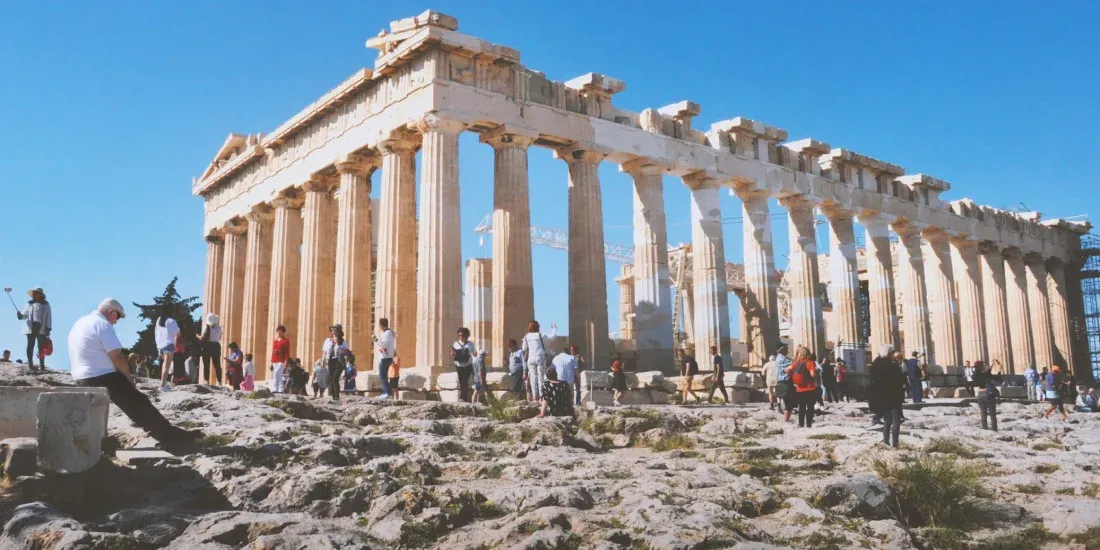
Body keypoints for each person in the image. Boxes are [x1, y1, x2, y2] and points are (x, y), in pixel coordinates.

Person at [68, 298, 198, 447]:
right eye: (117, 317)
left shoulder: (81, 322)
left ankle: (163, 433)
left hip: (79, 377)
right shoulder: (103, 325)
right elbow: (117, 356)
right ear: (111, 312)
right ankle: (170, 437)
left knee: (133, 401)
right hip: (101, 375)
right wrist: (128, 377)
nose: (116, 321)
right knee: (139, 402)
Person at [868, 345, 905, 447]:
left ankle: (885, 442)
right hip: (893, 396)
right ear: (889, 354)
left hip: (880, 397)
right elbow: (901, 380)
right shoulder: (893, 366)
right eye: (892, 353)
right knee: (896, 420)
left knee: (887, 420)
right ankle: (895, 444)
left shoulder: (874, 365)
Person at [17, 287, 52, 371]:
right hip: (30, 327)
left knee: (41, 347)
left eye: (36, 293)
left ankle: (42, 365)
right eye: (34, 293)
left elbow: (48, 317)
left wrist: (48, 328)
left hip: (42, 328)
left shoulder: (46, 304)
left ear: (40, 294)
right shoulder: (29, 304)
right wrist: (20, 315)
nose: (35, 295)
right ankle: (30, 363)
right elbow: (25, 314)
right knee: (30, 346)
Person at [785, 347, 818, 428]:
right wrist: (816, 374)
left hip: (799, 388)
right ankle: (809, 424)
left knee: (802, 407)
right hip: (810, 388)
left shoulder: (796, 363)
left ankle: (801, 424)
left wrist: (792, 373)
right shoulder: (810, 362)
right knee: (810, 407)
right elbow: (812, 374)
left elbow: (786, 369)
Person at [521, 321, 549, 401]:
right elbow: (549, 340)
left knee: (533, 378)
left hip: (531, 358)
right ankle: (542, 397)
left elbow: (524, 348)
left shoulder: (526, 336)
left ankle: (535, 397)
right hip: (540, 357)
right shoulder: (541, 335)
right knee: (541, 377)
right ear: (537, 327)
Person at [153, 312, 180, 392]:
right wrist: (175, 344)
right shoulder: (171, 321)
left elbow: (156, 332)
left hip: (160, 345)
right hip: (169, 344)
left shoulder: (159, 320)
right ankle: (163, 386)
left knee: (164, 365)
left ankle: (163, 383)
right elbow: (177, 334)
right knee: (166, 366)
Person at [322, 325, 349, 401]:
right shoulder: (328, 340)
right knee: (331, 379)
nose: (333, 330)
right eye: (332, 329)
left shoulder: (343, 341)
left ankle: (337, 396)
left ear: (338, 331)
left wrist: (341, 349)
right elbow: (325, 352)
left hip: (338, 361)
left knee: (335, 378)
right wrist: (322, 362)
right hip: (330, 361)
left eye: (334, 329)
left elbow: (347, 352)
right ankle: (333, 396)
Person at [450, 327, 477, 402]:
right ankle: (464, 397)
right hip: (458, 365)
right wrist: (453, 352)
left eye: (462, 335)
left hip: (467, 365)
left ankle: (463, 398)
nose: (461, 337)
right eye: (459, 335)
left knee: (465, 381)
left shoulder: (471, 344)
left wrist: (474, 353)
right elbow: (452, 354)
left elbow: (475, 354)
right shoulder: (456, 343)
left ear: (466, 335)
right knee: (461, 381)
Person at [375, 318, 396, 398]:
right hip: (385, 357)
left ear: (381, 325)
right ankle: (386, 392)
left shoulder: (387, 333)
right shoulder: (387, 333)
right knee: (383, 375)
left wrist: (376, 339)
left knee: (382, 375)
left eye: (379, 325)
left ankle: (387, 393)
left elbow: (383, 344)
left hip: (385, 358)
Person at [200, 314, 223, 385]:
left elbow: (202, 337)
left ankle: (206, 380)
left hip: (208, 345)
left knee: (206, 363)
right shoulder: (219, 328)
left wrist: (198, 336)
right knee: (217, 364)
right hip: (216, 345)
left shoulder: (207, 326)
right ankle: (219, 381)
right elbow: (220, 338)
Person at [775, 345, 796, 421]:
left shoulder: (778, 357)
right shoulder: (782, 358)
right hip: (785, 382)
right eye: (787, 349)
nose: (788, 351)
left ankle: (786, 420)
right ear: (782, 350)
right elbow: (794, 364)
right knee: (789, 403)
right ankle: (786, 421)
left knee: (789, 403)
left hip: (781, 382)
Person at [270, 325, 290, 393]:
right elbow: (273, 351)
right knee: (278, 374)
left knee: (276, 374)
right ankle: (280, 389)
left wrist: (286, 361)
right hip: (275, 360)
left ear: (283, 332)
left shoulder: (286, 340)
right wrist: (271, 362)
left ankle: (276, 388)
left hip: (281, 360)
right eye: (278, 332)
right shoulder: (275, 341)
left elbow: (287, 351)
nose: (279, 333)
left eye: (280, 332)